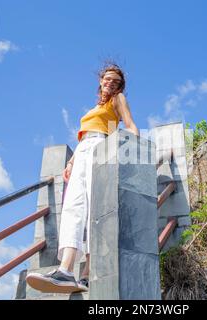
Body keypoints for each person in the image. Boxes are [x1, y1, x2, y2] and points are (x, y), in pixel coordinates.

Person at [26, 63, 139, 294]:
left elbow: (130, 126)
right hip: (84, 151)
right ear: (100, 80)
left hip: (100, 147)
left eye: (116, 81)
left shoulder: (117, 100)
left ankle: (80, 273)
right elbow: (85, 137)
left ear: (120, 86)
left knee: (93, 208)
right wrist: (71, 161)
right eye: (108, 79)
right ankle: (71, 272)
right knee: (73, 207)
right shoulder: (96, 107)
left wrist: (133, 151)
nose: (111, 83)